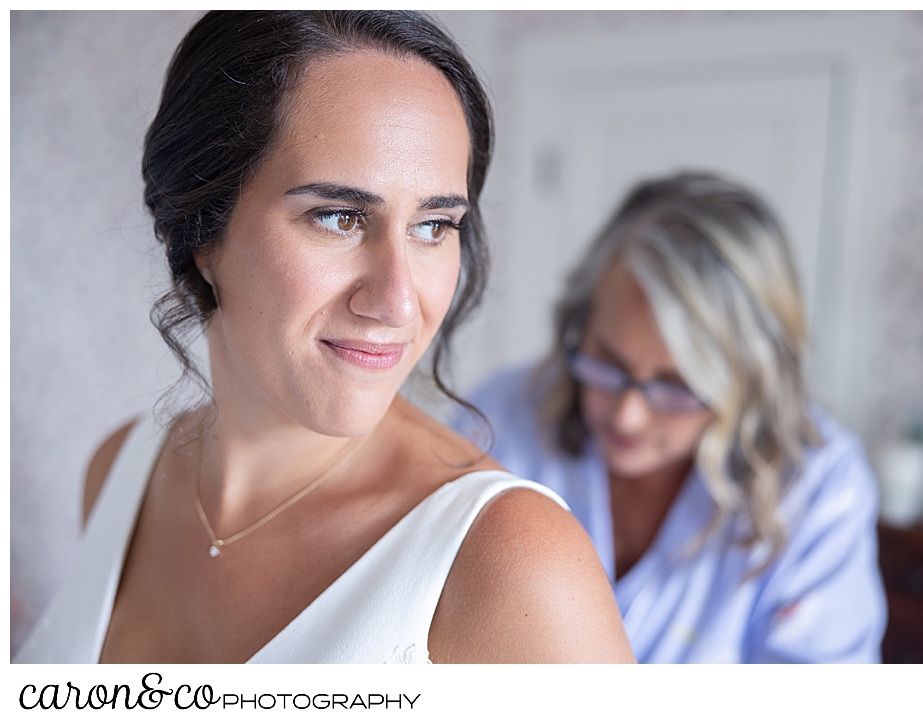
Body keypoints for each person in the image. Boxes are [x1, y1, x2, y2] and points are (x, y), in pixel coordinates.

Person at [15, 11, 633, 664]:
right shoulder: (121, 471)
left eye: (434, 226)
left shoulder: (512, 563)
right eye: (339, 217)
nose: (397, 301)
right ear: (202, 231)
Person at [455, 173, 887, 663]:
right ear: (579, 323)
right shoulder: (498, 417)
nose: (628, 416)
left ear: (749, 380)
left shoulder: (820, 487)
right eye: (609, 363)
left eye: (679, 385)